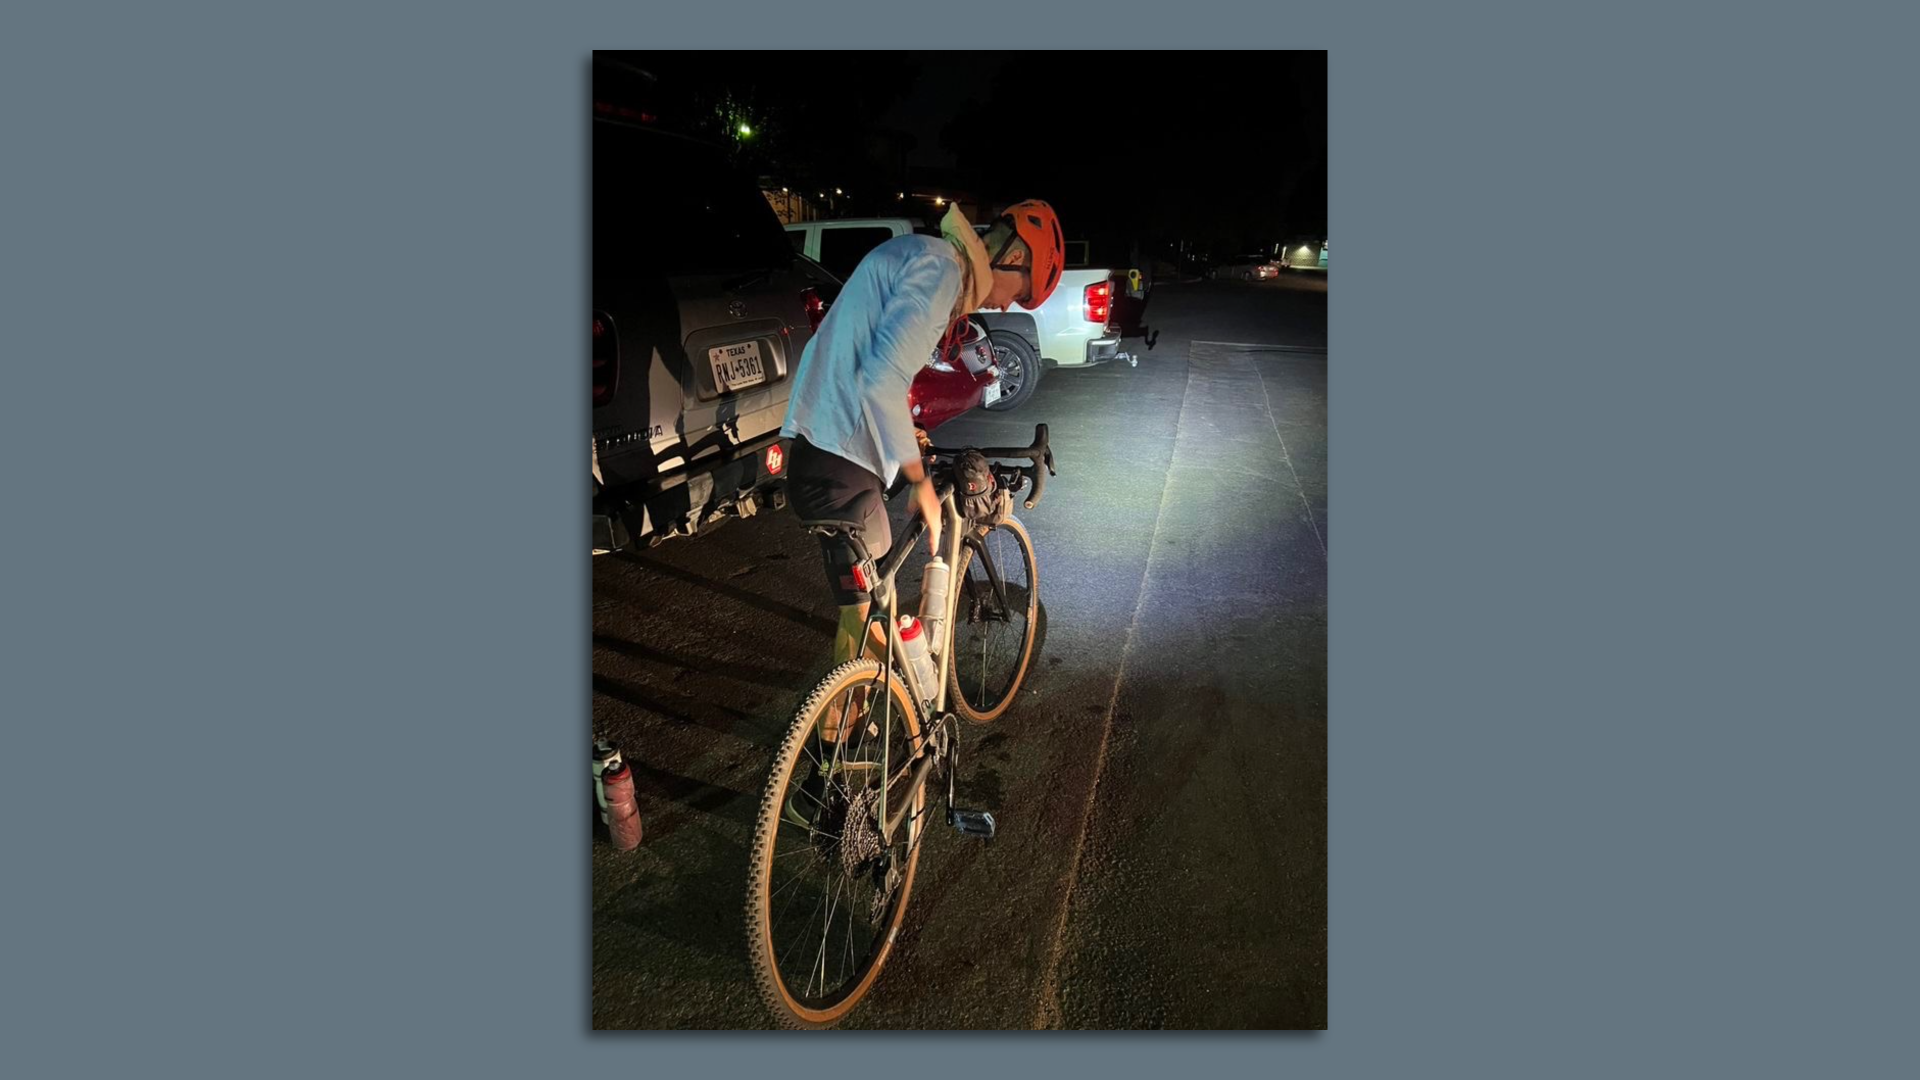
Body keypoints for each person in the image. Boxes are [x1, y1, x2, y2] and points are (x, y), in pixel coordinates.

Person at [779, 200, 1066, 691]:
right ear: (1013, 260)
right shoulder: (940, 271)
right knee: (873, 614)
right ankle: (841, 746)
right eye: (1018, 295)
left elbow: (869, 355)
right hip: (838, 457)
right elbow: (881, 380)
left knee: (866, 606)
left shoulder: (922, 254)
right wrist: (920, 484)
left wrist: (903, 436)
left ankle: (850, 730)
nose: (1003, 308)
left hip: (821, 447)